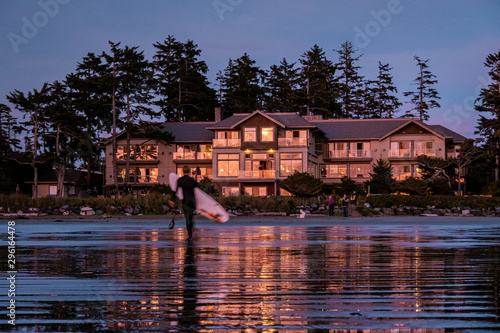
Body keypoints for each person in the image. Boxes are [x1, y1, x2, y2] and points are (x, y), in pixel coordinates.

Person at [170, 166, 198, 241]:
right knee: (191, 218)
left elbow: (175, 191)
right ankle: (191, 234)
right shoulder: (192, 180)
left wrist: (172, 200)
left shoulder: (180, 180)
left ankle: (190, 236)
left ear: (183, 171)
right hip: (192, 201)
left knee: (187, 219)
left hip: (185, 201)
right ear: (189, 171)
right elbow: (197, 188)